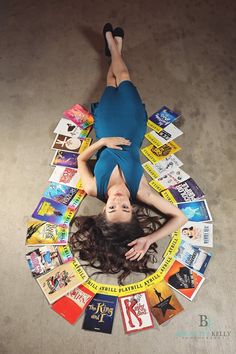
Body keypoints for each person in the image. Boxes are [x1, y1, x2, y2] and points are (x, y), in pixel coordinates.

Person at [69, 23, 188, 285]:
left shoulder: (92, 188)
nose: (120, 200)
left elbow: (80, 159)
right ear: (134, 211)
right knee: (124, 77)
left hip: (107, 126)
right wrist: (149, 239)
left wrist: (102, 143)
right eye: (125, 208)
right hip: (134, 124)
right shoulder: (141, 192)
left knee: (110, 84)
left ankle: (115, 47)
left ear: (103, 213)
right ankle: (113, 45)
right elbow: (181, 217)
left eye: (112, 207)